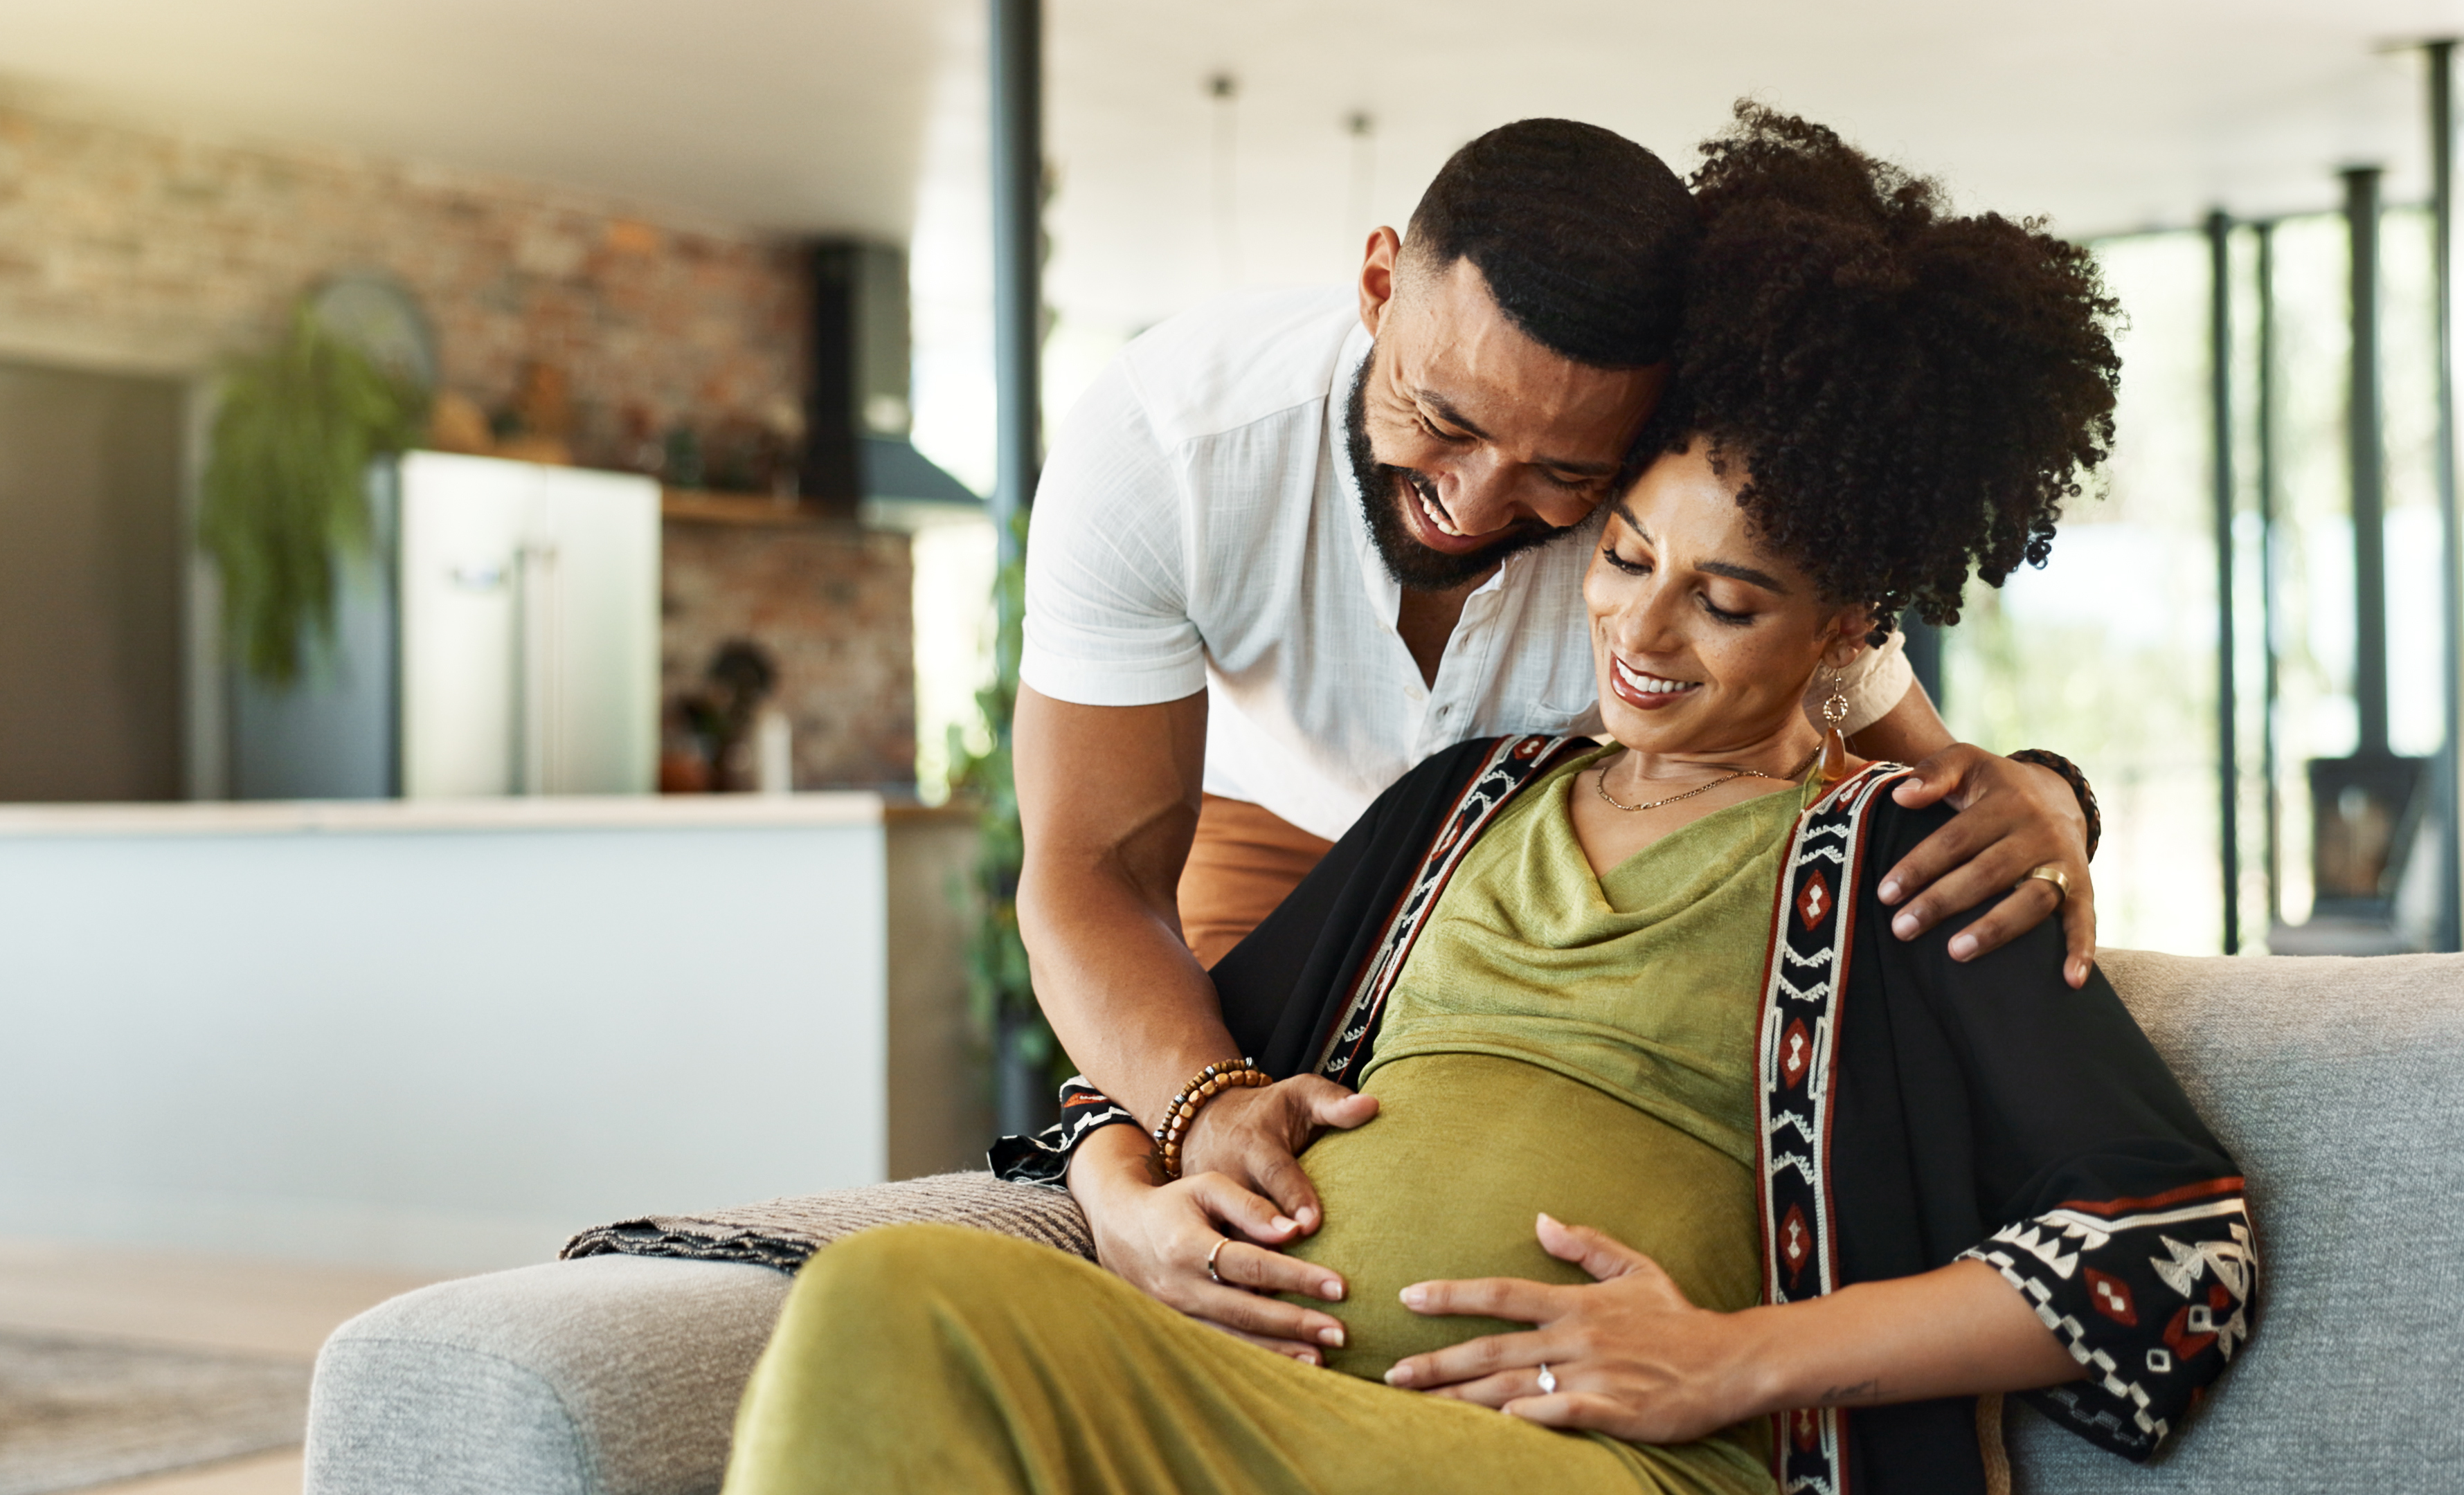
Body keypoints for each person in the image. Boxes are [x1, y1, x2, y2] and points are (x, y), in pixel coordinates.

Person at [726, 107, 2253, 1495]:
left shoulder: (1899, 860)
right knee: (889, 1294)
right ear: (1378, 284)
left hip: (1565, 1464)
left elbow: (2171, 1254)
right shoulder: (1460, 795)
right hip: (1270, 1401)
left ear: (1846, 629)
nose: (1639, 636)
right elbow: (1127, 970)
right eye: (1628, 563)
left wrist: (1734, 1361)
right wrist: (1136, 1179)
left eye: (1723, 603)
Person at [1012, 113, 2107, 1339]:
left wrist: (2050, 797)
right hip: (1286, 838)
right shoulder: (1169, 444)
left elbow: (1906, 761)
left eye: (1566, 477)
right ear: (1378, 285)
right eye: (1445, 419)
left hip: (1495, 859)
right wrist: (1180, 1119)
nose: (1474, 504)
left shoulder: (1678, 496)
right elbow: (1090, 875)